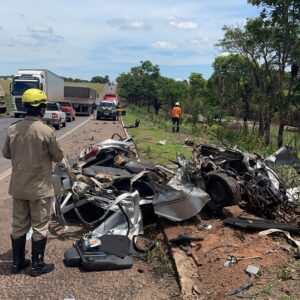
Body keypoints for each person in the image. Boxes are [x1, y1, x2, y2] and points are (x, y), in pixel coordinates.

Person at [2, 88, 64, 276]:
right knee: (40, 226)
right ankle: (37, 265)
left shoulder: (13, 128)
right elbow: (58, 156)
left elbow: (6, 153)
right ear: (42, 108)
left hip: (19, 187)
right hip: (39, 189)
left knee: (19, 225)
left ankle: (17, 263)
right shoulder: (47, 131)